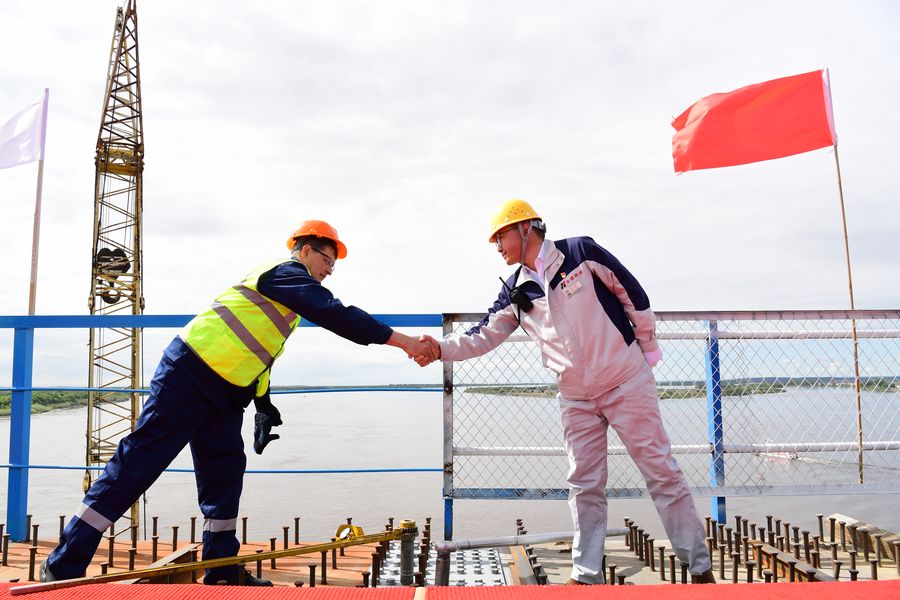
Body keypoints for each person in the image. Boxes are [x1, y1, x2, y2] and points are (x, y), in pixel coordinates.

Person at [42, 220, 436, 586]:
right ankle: (63, 563)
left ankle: (221, 568)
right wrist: (404, 342)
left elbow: (258, 351)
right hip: (190, 373)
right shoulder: (283, 274)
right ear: (304, 250)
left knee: (225, 474)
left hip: (226, 392)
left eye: (334, 264)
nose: (330, 270)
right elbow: (336, 314)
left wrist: (263, 403)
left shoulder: (289, 298)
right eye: (326, 260)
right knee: (139, 463)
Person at [417, 199, 715, 585]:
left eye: (500, 237)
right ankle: (587, 574)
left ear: (525, 228)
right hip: (576, 398)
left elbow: (633, 294)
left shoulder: (580, 253)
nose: (497, 247)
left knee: (661, 472)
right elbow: (482, 335)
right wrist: (438, 348)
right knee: (584, 485)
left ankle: (699, 569)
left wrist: (647, 348)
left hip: (626, 381)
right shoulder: (516, 289)